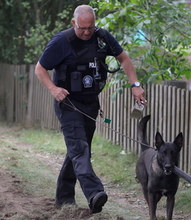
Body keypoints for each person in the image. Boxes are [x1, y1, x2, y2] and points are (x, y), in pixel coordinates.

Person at [34, 5, 146, 214]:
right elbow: (40, 68)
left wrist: (135, 85)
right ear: (73, 23)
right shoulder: (61, 41)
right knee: (80, 149)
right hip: (67, 103)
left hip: (90, 103)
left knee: (78, 151)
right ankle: (95, 194)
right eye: (82, 28)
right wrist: (53, 89)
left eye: (90, 28)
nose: (87, 32)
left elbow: (124, 58)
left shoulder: (102, 37)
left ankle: (64, 198)